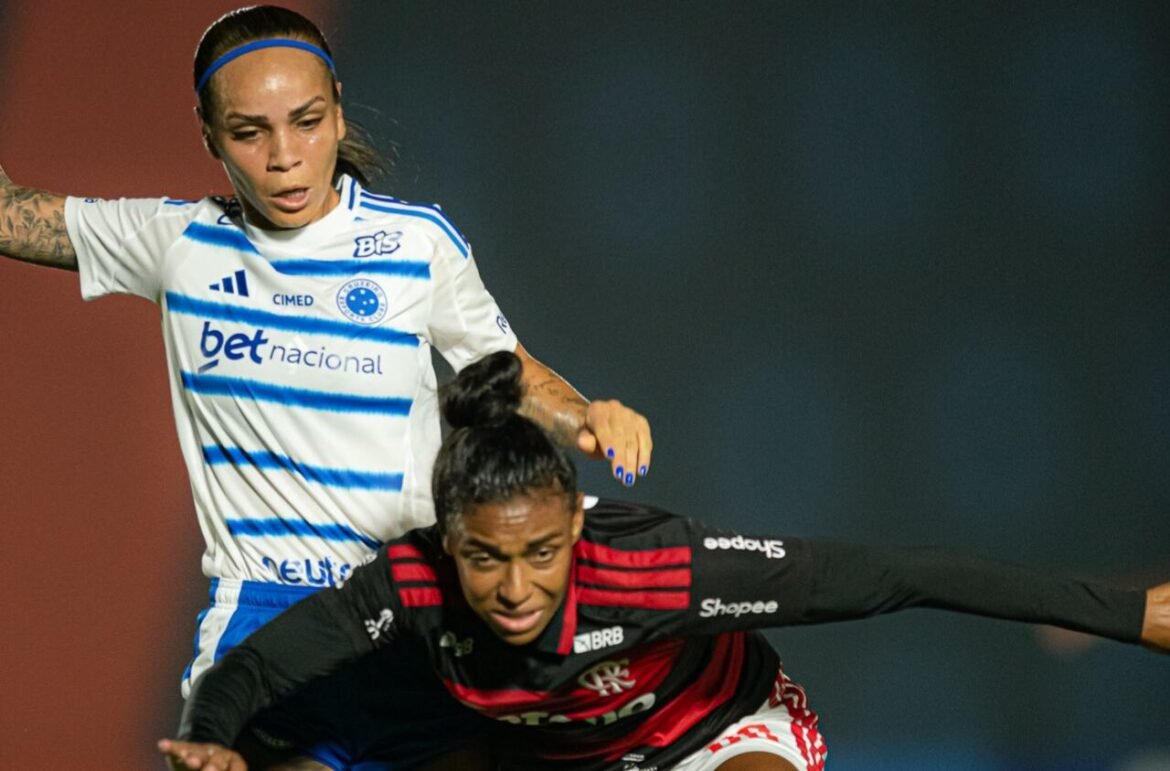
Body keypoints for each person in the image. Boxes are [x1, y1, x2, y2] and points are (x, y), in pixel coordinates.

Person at [0, 6, 652, 769]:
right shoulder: (176, 243)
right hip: (267, 620)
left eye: (306, 121)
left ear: (339, 111)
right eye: (249, 132)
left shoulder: (416, 246)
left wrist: (584, 417)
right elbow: (8, 215)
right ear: (209, 135)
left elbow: (506, 374)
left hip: (412, 604)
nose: (284, 156)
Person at [161, 350, 1170, 771]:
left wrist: (1132, 616)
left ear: (575, 528)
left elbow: (902, 575)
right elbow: (256, 668)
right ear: (449, 543)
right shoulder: (406, 586)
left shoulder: (655, 569)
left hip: (719, 733)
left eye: (544, 553)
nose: (516, 589)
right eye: (486, 561)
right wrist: (209, 735)